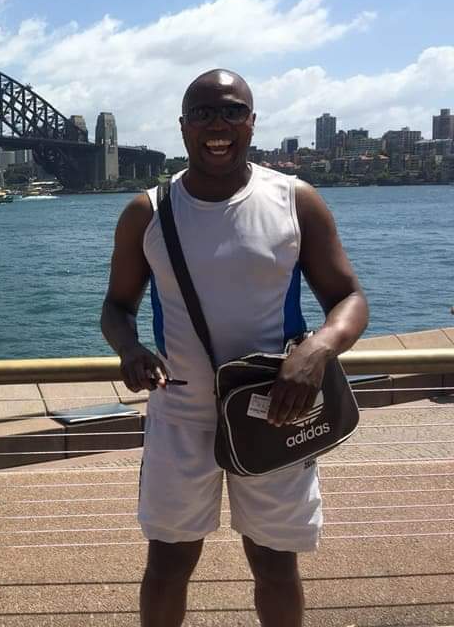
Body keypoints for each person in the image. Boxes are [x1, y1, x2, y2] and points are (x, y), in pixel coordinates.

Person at [101, 69, 369, 627]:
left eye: (231, 111)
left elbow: (348, 298)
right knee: (168, 563)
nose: (217, 125)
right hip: (180, 414)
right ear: (183, 127)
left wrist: (319, 349)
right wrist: (129, 349)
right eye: (203, 114)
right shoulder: (147, 212)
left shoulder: (295, 200)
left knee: (275, 565)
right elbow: (117, 307)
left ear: (252, 122)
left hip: (275, 411)